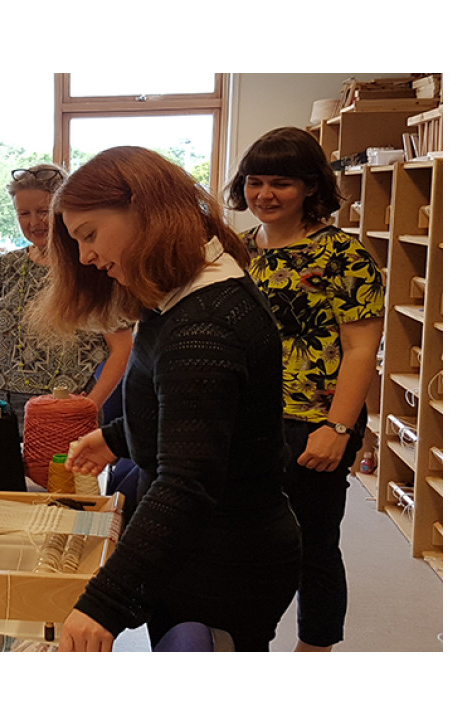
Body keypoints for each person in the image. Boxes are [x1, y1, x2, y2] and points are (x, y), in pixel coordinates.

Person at [31, 146, 301, 652]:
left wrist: (102, 603)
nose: (87, 256)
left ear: (144, 211)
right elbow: (200, 416)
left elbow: (188, 483)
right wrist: (117, 436)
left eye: (90, 234)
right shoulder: (185, 294)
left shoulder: (203, 325)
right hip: (210, 550)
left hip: (225, 565)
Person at [226, 126, 385, 652]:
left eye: (281, 183)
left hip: (317, 420)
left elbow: (362, 350)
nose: (264, 194)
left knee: (311, 543)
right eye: (255, 181)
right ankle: (247, 641)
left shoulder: (345, 255)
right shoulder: (236, 251)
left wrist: (338, 428)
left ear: (311, 187)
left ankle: (314, 650)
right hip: (248, 419)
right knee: (246, 538)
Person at [0, 163, 132, 434]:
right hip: (2, 407)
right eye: (23, 213)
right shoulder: (7, 265)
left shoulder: (90, 265)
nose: (34, 222)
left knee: (63, 478)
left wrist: (90, 405)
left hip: (66, 408)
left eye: (43, 212)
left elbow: (122, 348)